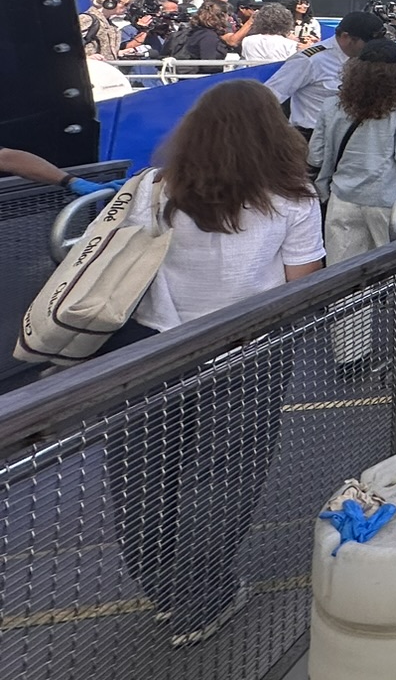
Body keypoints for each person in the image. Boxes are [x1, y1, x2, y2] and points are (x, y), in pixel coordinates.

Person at [7, 82, 327, 647]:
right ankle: (203, 600)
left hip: (150, 349)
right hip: (249, 352)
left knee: (143, 472)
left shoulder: (155, 188)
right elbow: (300, 286)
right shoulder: (293, 198)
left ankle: (162, 588)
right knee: (225, 477)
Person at [310, 40, 396, 260]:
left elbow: (315, 155)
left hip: (343, 197)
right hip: (390, 199)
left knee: (344, 271)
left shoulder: (331, 105)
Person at [265, 10, 390, 140]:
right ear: (346, 37)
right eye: (367, 44)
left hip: (350, 136)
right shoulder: (311, 60)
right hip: (313, 136)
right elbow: (270, 95)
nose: (372, 48)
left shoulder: (367, 59)